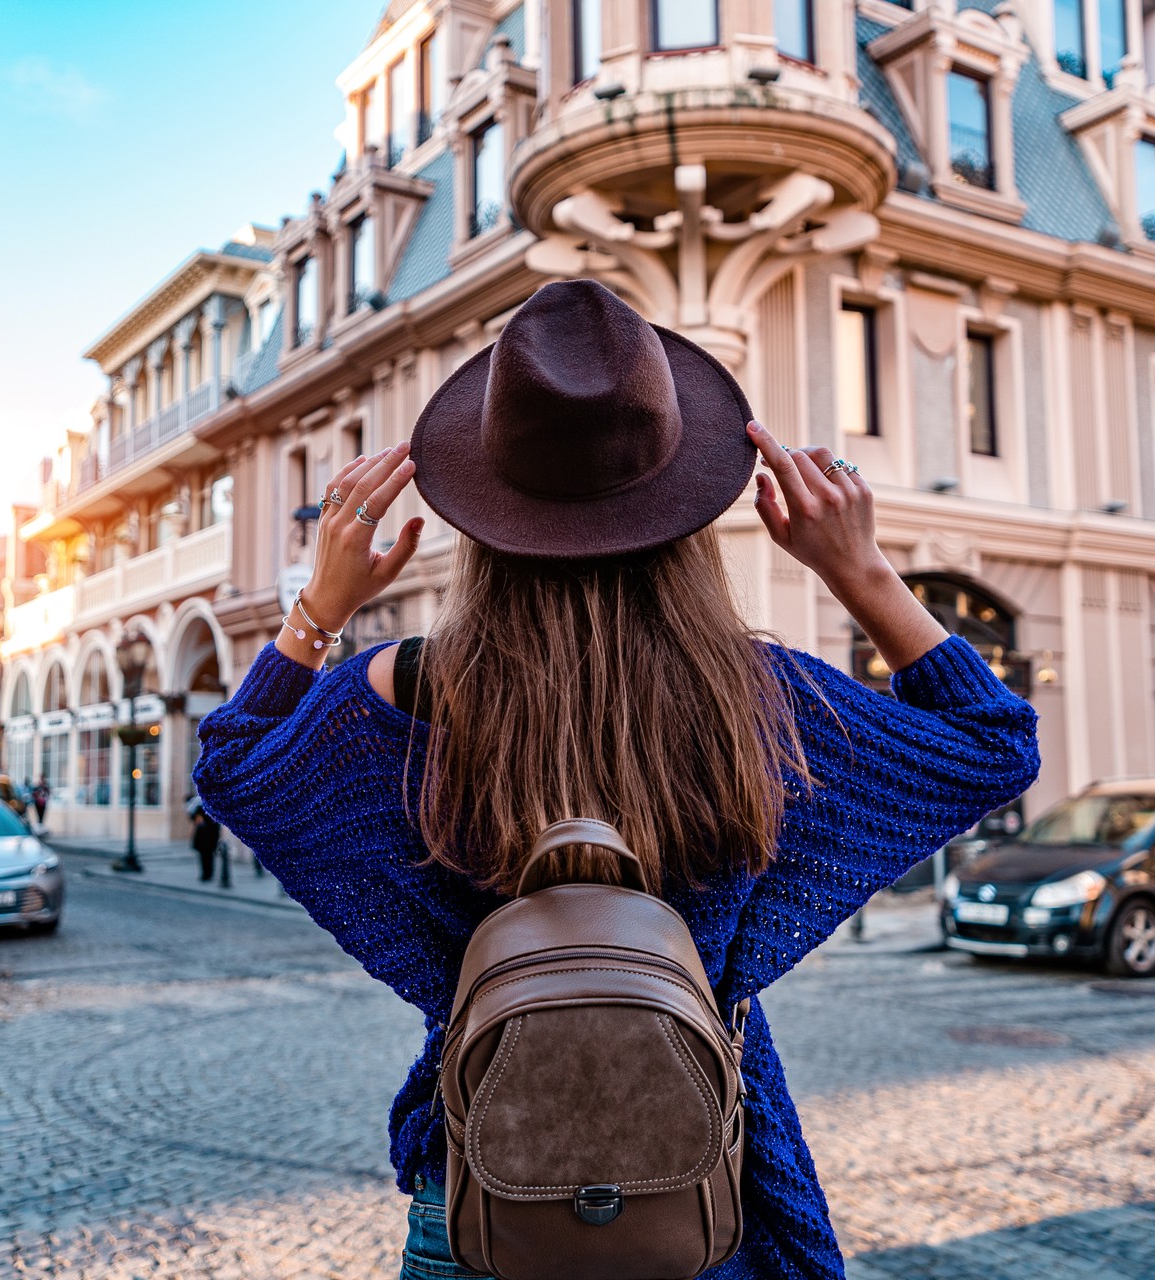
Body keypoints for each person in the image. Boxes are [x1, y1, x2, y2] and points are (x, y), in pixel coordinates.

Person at [193, 280, 1040, 1279]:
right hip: (688, 1177)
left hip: (483, 1193)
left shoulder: (397, 695)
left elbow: (234, 763)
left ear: (486, 504)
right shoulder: (760, 700)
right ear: (680, 503)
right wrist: (858, 570)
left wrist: (318, 607)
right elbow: (994, 740)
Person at [188, 798, 221, 882]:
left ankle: (207, 875)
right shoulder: (201, 807)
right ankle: (207, 874)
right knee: (206, 856)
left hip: (208, 836)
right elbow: (192, 816)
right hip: (205, 836)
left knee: (207, 856)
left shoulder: (210, 807)